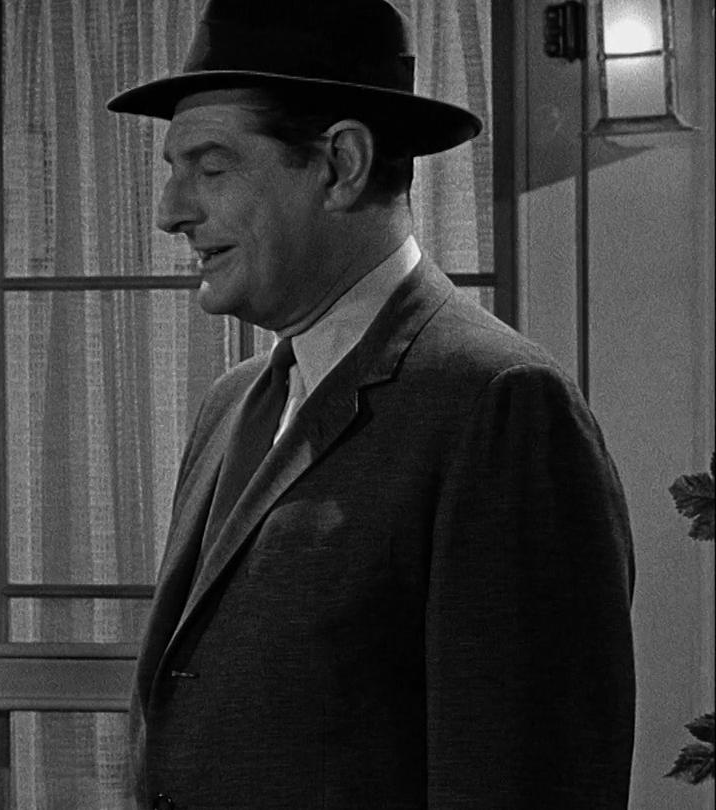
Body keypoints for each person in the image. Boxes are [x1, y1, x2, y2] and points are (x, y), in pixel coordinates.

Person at [107, 1, 636, 807]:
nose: (170, 211)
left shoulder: (499, 408)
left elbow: (524, 777)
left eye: (210, 168)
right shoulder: (230, 405)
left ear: (341, 165)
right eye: (172, 170)